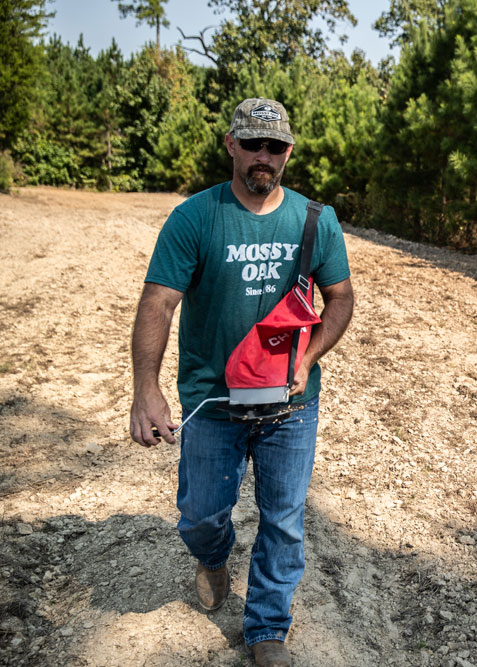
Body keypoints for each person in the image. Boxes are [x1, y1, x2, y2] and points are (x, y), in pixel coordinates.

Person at [129, 97, 354, 667]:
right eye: (252, 144)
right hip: (212, 400)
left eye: (274, 146)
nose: (263, 156)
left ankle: (267, 629)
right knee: (201, 515)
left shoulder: (314, 219)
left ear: (288, 152)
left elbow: (341, 299)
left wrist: (309, 357)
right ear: (230, 145)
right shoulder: (195, 218)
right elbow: (159, 300)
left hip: (291, 403)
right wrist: (146, 390)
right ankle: (212, 557)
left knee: (283, 521)